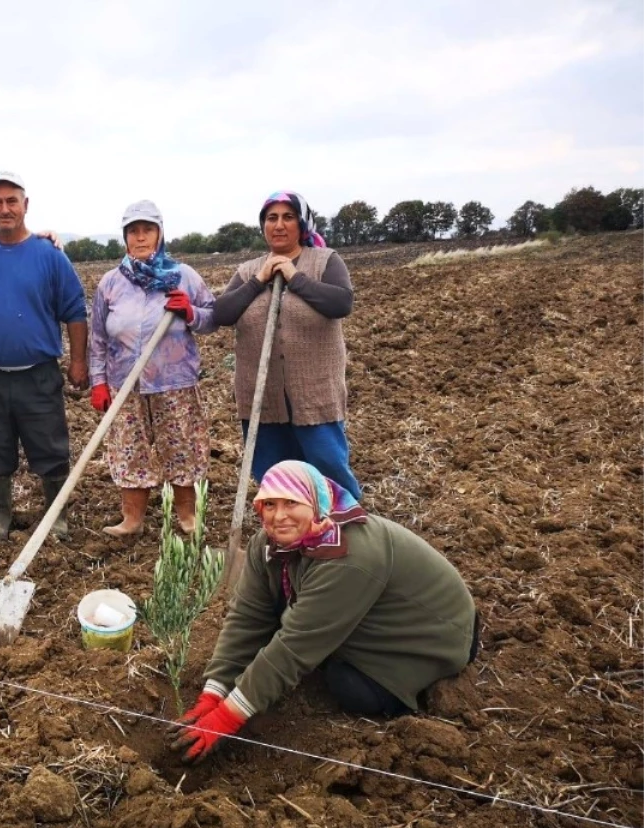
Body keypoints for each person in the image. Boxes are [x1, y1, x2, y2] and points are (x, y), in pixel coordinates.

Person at [172, 461, 479, 763]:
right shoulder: (266, 546)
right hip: (363, 613)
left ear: (317, 502)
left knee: (349, 688)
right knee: (279, 621)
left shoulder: (348, 555)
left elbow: (295, 646)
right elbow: (247, 617)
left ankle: (411, 682)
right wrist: (213, 692)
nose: (279, 516)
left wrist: (227, 718)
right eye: (269, 505)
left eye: (291, 503)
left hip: (432, 636)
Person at [0, 171, 89, 542]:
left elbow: (75, 310)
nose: (4, 208)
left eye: (11, 200)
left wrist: (77, 361)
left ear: (25, 205)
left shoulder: (49, 255)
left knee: (50, 445)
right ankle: (0, 512)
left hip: (38, 373)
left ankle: (56, 513)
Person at [212, 191, 363, 500]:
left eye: (288, 217)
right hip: (262, 394)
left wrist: (296, 279)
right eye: (271, 218)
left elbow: (341, 302)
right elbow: (222, 313)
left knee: (327, 467)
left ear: (302, 223)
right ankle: (286, 538)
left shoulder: (324, 261)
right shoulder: (247, 270)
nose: (279, 225)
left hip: (315, 392)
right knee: (275, 475)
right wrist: (258, 281)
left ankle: (344, 532)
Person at [88, 200, 217, 536]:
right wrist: (99, 381)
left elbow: (213, 318)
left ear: (160, 234)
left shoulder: (182, 276)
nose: (141, 237)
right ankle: (132, 519)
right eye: (134, 231)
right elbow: (98, 337)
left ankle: (187, 516)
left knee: (182, 446)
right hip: (125, 384)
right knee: (130, 451)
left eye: (148, 230)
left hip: (174, 383)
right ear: (125, 237)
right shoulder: (111, 283)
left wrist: (190, 312)